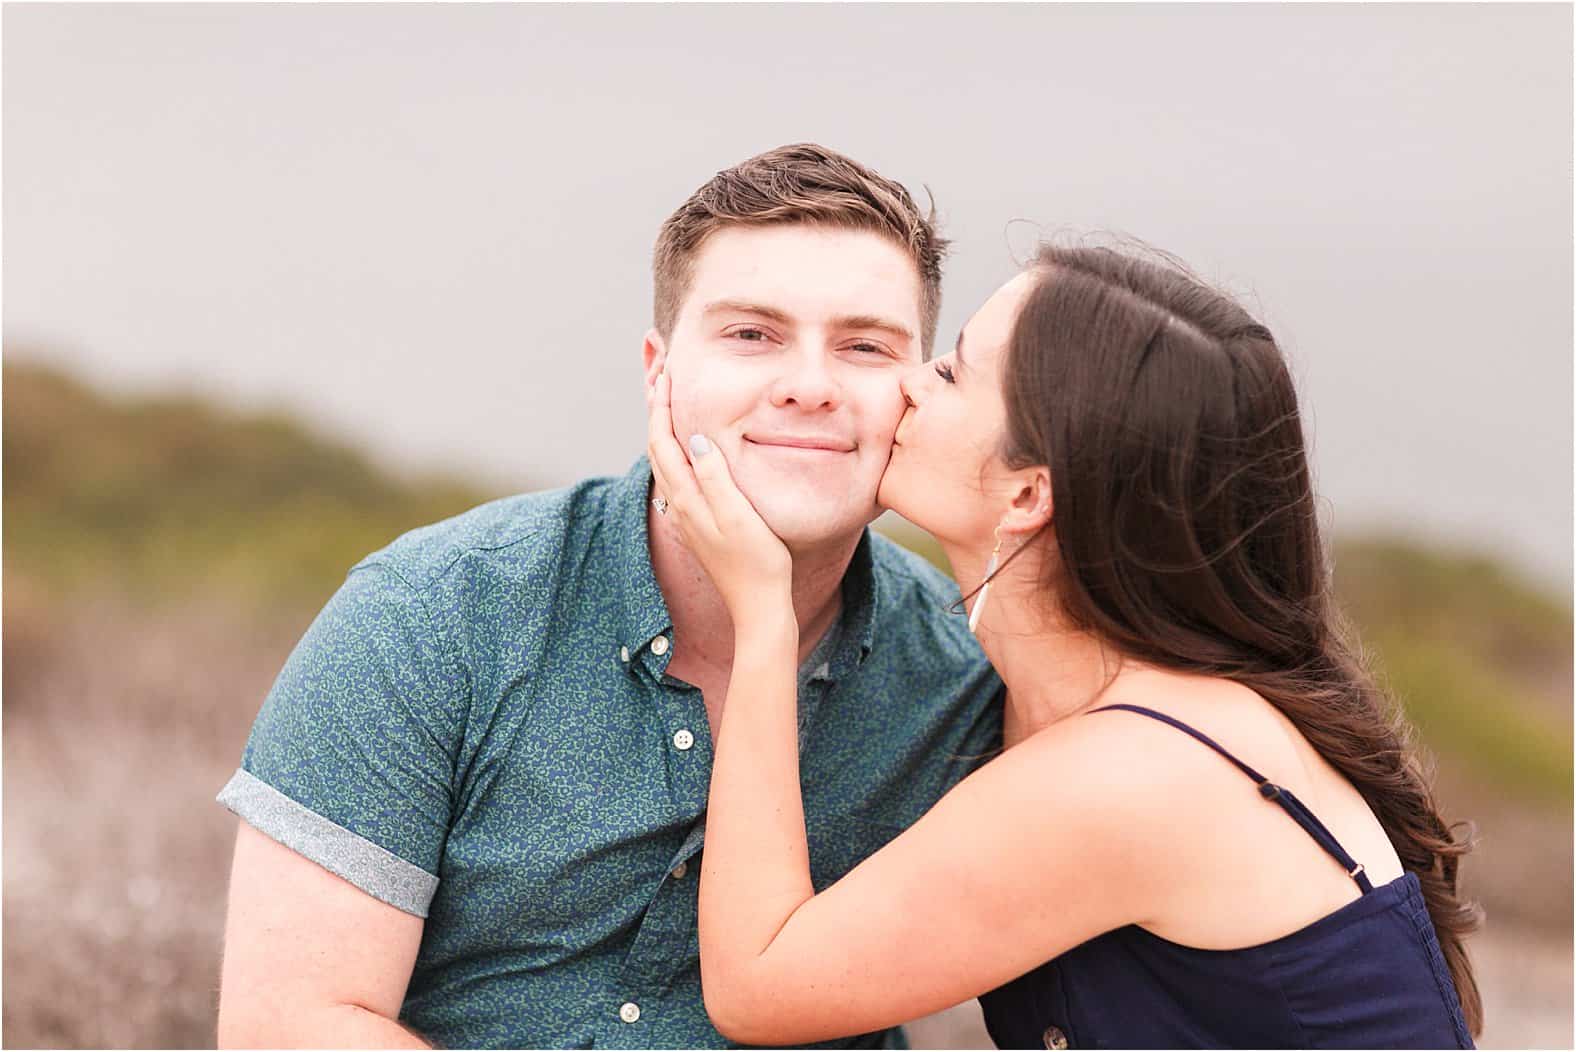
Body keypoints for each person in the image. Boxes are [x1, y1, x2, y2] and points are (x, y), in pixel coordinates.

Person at [213, 143, 1003, 1049]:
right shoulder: (434, 614)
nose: (810, 386)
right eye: (752, 335)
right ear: (658, 372)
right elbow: (290, 1025)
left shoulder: (963, 679)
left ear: (917, 389)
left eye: (865, 347)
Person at [649, 242, 1482, 1048]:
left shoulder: (1138, 768)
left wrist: (763, 616)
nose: (909, 380)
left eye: (952, 372)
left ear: (1028, 492)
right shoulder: (1097, 706)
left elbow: (760, 985)